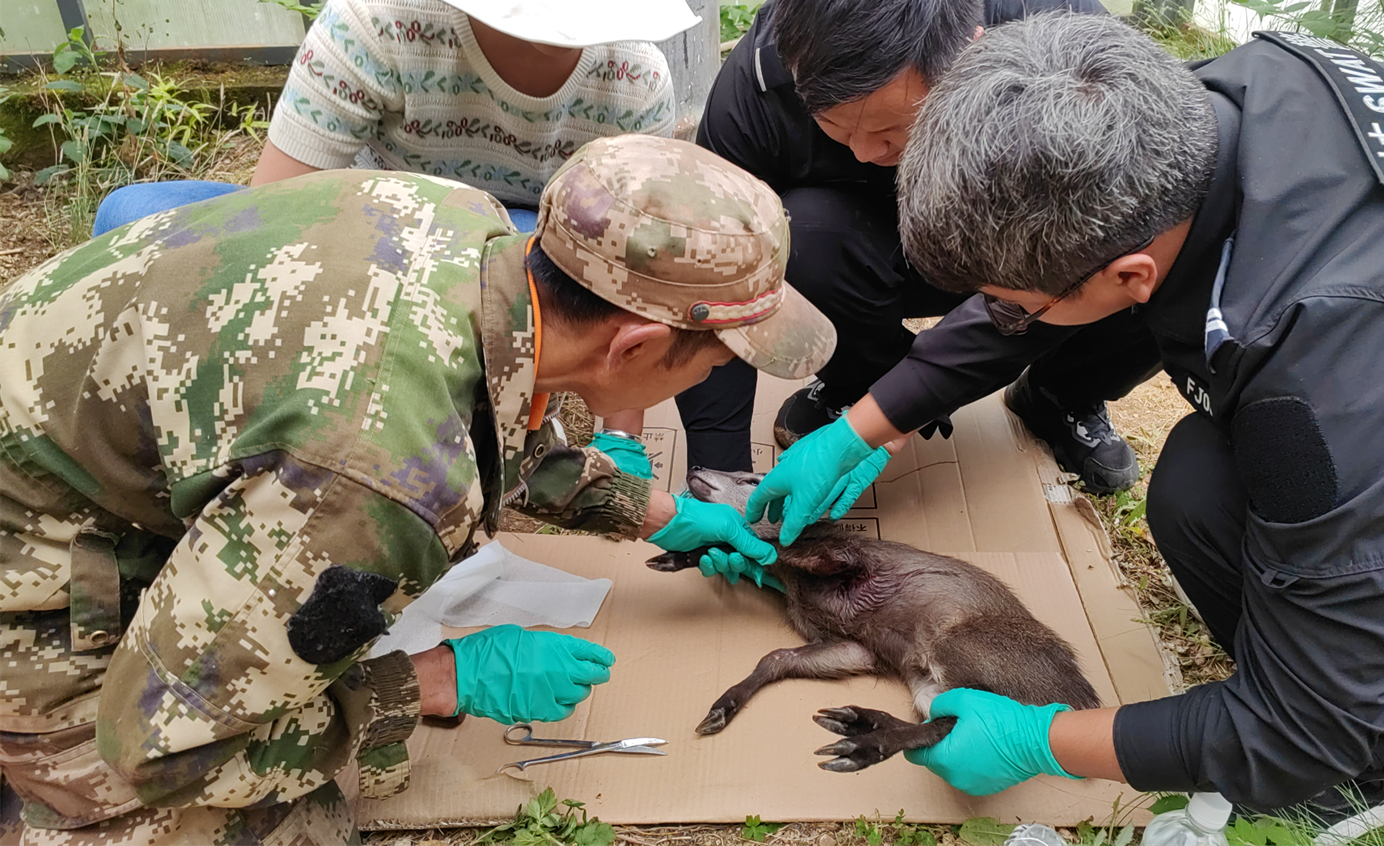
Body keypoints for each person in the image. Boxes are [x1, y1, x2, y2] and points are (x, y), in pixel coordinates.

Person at [745, 12, 1384, 841]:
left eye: (1009, 309)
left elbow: (1308, 723)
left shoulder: (1338, 366)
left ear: (1132, 274)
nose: (1002, 318)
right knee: (1202, 473)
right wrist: (861, 428)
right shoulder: (1192, 116)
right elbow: (1051, 276)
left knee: (1226, 490)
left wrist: (1042, 737)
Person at [0, 135, 834, 844]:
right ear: (635, 348)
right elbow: (158, 744)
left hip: (80, 441)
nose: (715, 379)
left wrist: (659, 512)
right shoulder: (370, 483)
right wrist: (436, 680)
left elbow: (487, 409)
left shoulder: (466, 225)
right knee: (290, 817)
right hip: (34, 555)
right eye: (716, 362)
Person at [671, 0, 1153, 495]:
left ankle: (1062, 393)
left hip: (1023, 253)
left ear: (970, 56)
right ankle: (857, 381)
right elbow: (711, 280)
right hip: (868, 248)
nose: (862, 153)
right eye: (834, 126)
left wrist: (917, 393)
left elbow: (1139, 222)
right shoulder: (759, 81)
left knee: (1147, 252)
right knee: (803, 234)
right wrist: (720, 475)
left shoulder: (1065, 45)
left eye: (889, 130)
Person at [90, 0, 692, 237]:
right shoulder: (378, 15)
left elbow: (626, 265)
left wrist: (621, 436)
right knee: (128, 217)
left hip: (517, 248)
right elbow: (273, 215)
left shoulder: (636, 81)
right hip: (367, 221)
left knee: (510, 256)